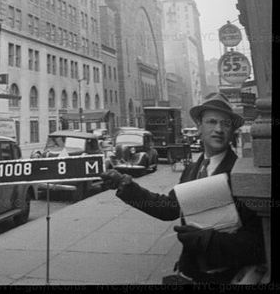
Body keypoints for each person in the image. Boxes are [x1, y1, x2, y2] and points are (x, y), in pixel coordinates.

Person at [101, 93, 265, 284]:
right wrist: (125, 185)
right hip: (189, 273)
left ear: (232, 132)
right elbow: (169, 208)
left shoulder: (240, 174)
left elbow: (257, 242)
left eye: (225, 124)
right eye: (212, 122)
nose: (219, 129)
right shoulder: (191, 170)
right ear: (199, 127)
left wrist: (210, 241)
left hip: (225, 277)